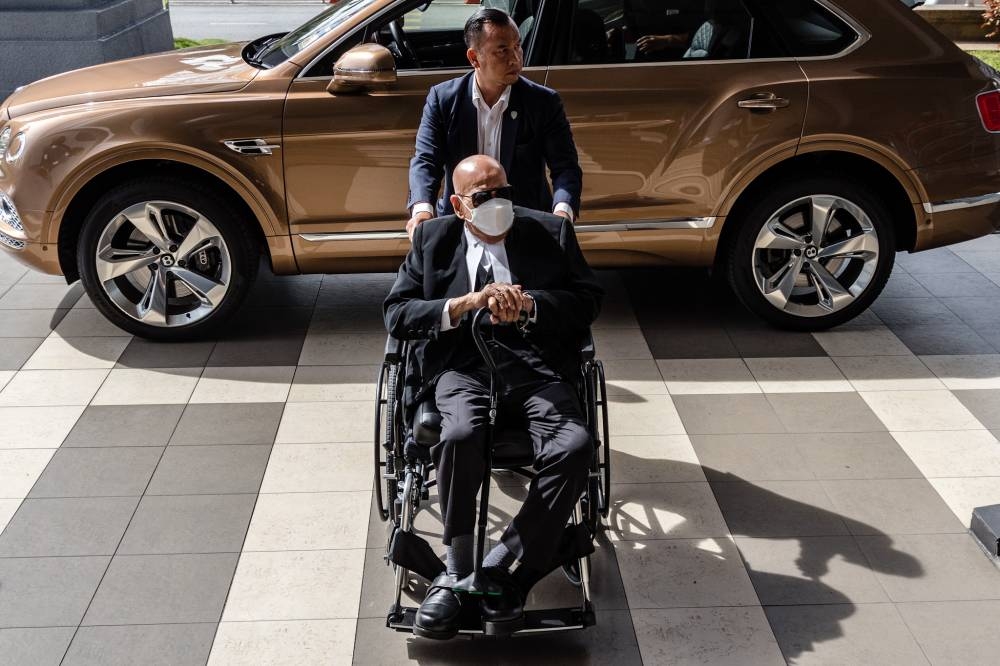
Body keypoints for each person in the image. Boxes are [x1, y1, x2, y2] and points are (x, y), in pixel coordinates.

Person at [385, 155, 603, 639]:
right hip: (461, 366)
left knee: (573, 445)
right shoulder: (432, 239)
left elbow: (588, 301)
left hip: (535, 367)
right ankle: (460, 568)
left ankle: (503, 566)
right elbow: (396, 314)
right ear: (460, 207)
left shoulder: (550, 233)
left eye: (503, 190)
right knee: (460, 433)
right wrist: (463, 305)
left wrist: (530, 306)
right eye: (483, 196)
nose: (498, 202)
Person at [405, 8, 583, 239]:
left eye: (517, 46)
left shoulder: (543, 102)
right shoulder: (443, 99)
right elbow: (426, 160)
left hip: (525, 225)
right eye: (502, 51)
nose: (516, 58)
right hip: (463, 221)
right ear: (474, 58)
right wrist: (422, 210)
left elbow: (565, 167)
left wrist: (562, 212)